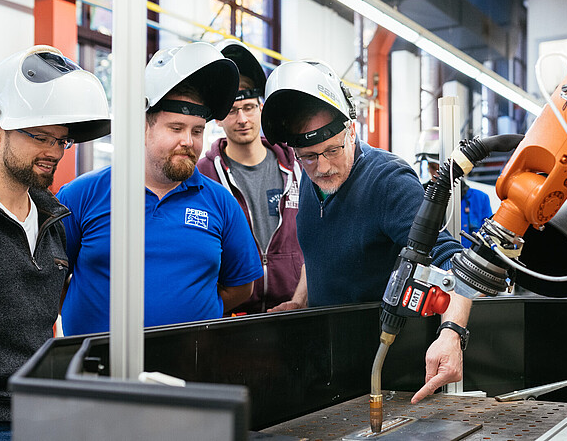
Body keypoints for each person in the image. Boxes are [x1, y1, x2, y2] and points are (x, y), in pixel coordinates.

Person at [260, 59, 469, 403]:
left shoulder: (388, 182)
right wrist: (299, 300)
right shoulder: (310, 184)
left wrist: (451, 333)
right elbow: (318, 253)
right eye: (309, 156)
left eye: (332, 150)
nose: (323, 167)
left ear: (352, 130)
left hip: (390, 373)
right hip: (329, 367)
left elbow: (451, 262)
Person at [0, 45, 110, 438]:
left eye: (61, 141)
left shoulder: (55, 220)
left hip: (40, 414)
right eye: (41, 137)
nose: (54, 152)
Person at [57, 41, 263, 335]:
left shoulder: (221, 203)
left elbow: (242, 286)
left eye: (197, 131)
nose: (188, 142)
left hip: (191, 368)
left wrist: (195, 309)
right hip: (97, 373)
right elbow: (50, 282)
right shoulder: (81, 197)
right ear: (143, 127)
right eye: (176, 128)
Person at [197, 39, 305, 314]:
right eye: (232, 111)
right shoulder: (203, 174)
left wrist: (301, 298)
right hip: (232, 314)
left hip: (293, 308)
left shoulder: (298, 166)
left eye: (248, 108)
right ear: (218, 119)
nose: (242, 119)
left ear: (261, 108)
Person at [415, 141, 494, 248]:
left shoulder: (480, 199)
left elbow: (488, 240)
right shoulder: (422, 195)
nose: (432, 173)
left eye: (435, 168)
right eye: (430, 167)